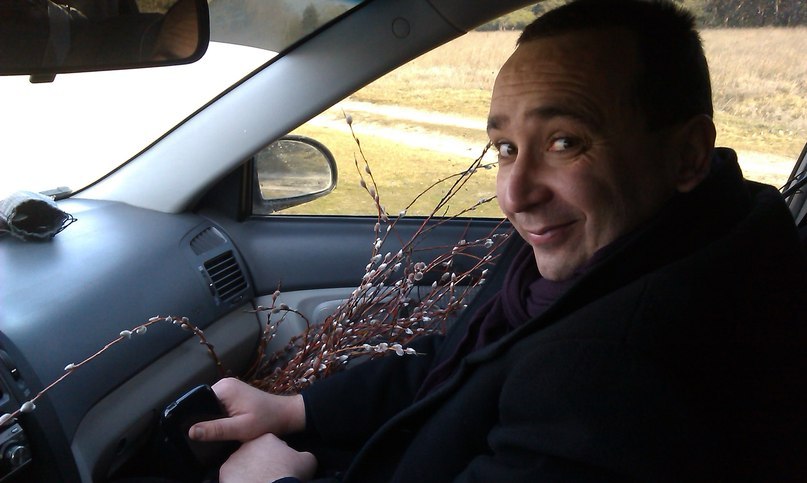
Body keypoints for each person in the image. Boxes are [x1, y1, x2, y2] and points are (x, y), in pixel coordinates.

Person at [189, 0, 807, 481]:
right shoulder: (613, 248)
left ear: (687, 154)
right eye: (506, 148)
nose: (515, 195)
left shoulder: (618, 370)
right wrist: (296, 409)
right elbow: (457, 361)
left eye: (564, 141)